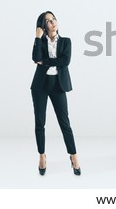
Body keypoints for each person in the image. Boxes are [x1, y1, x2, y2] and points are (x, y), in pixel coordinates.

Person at [31, 11, 81, 175]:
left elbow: (65, 61)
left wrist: (44, 61)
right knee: (40, 122)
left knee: (64, 123)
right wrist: (37, 37)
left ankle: (73, 156)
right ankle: (42, 156)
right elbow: (35, 57)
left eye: (53, 19)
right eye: (48, 21)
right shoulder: (41, 42)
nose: (52, 22)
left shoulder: (66, 41)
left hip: (58, 85)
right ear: (43, 26)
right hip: (40, 85)